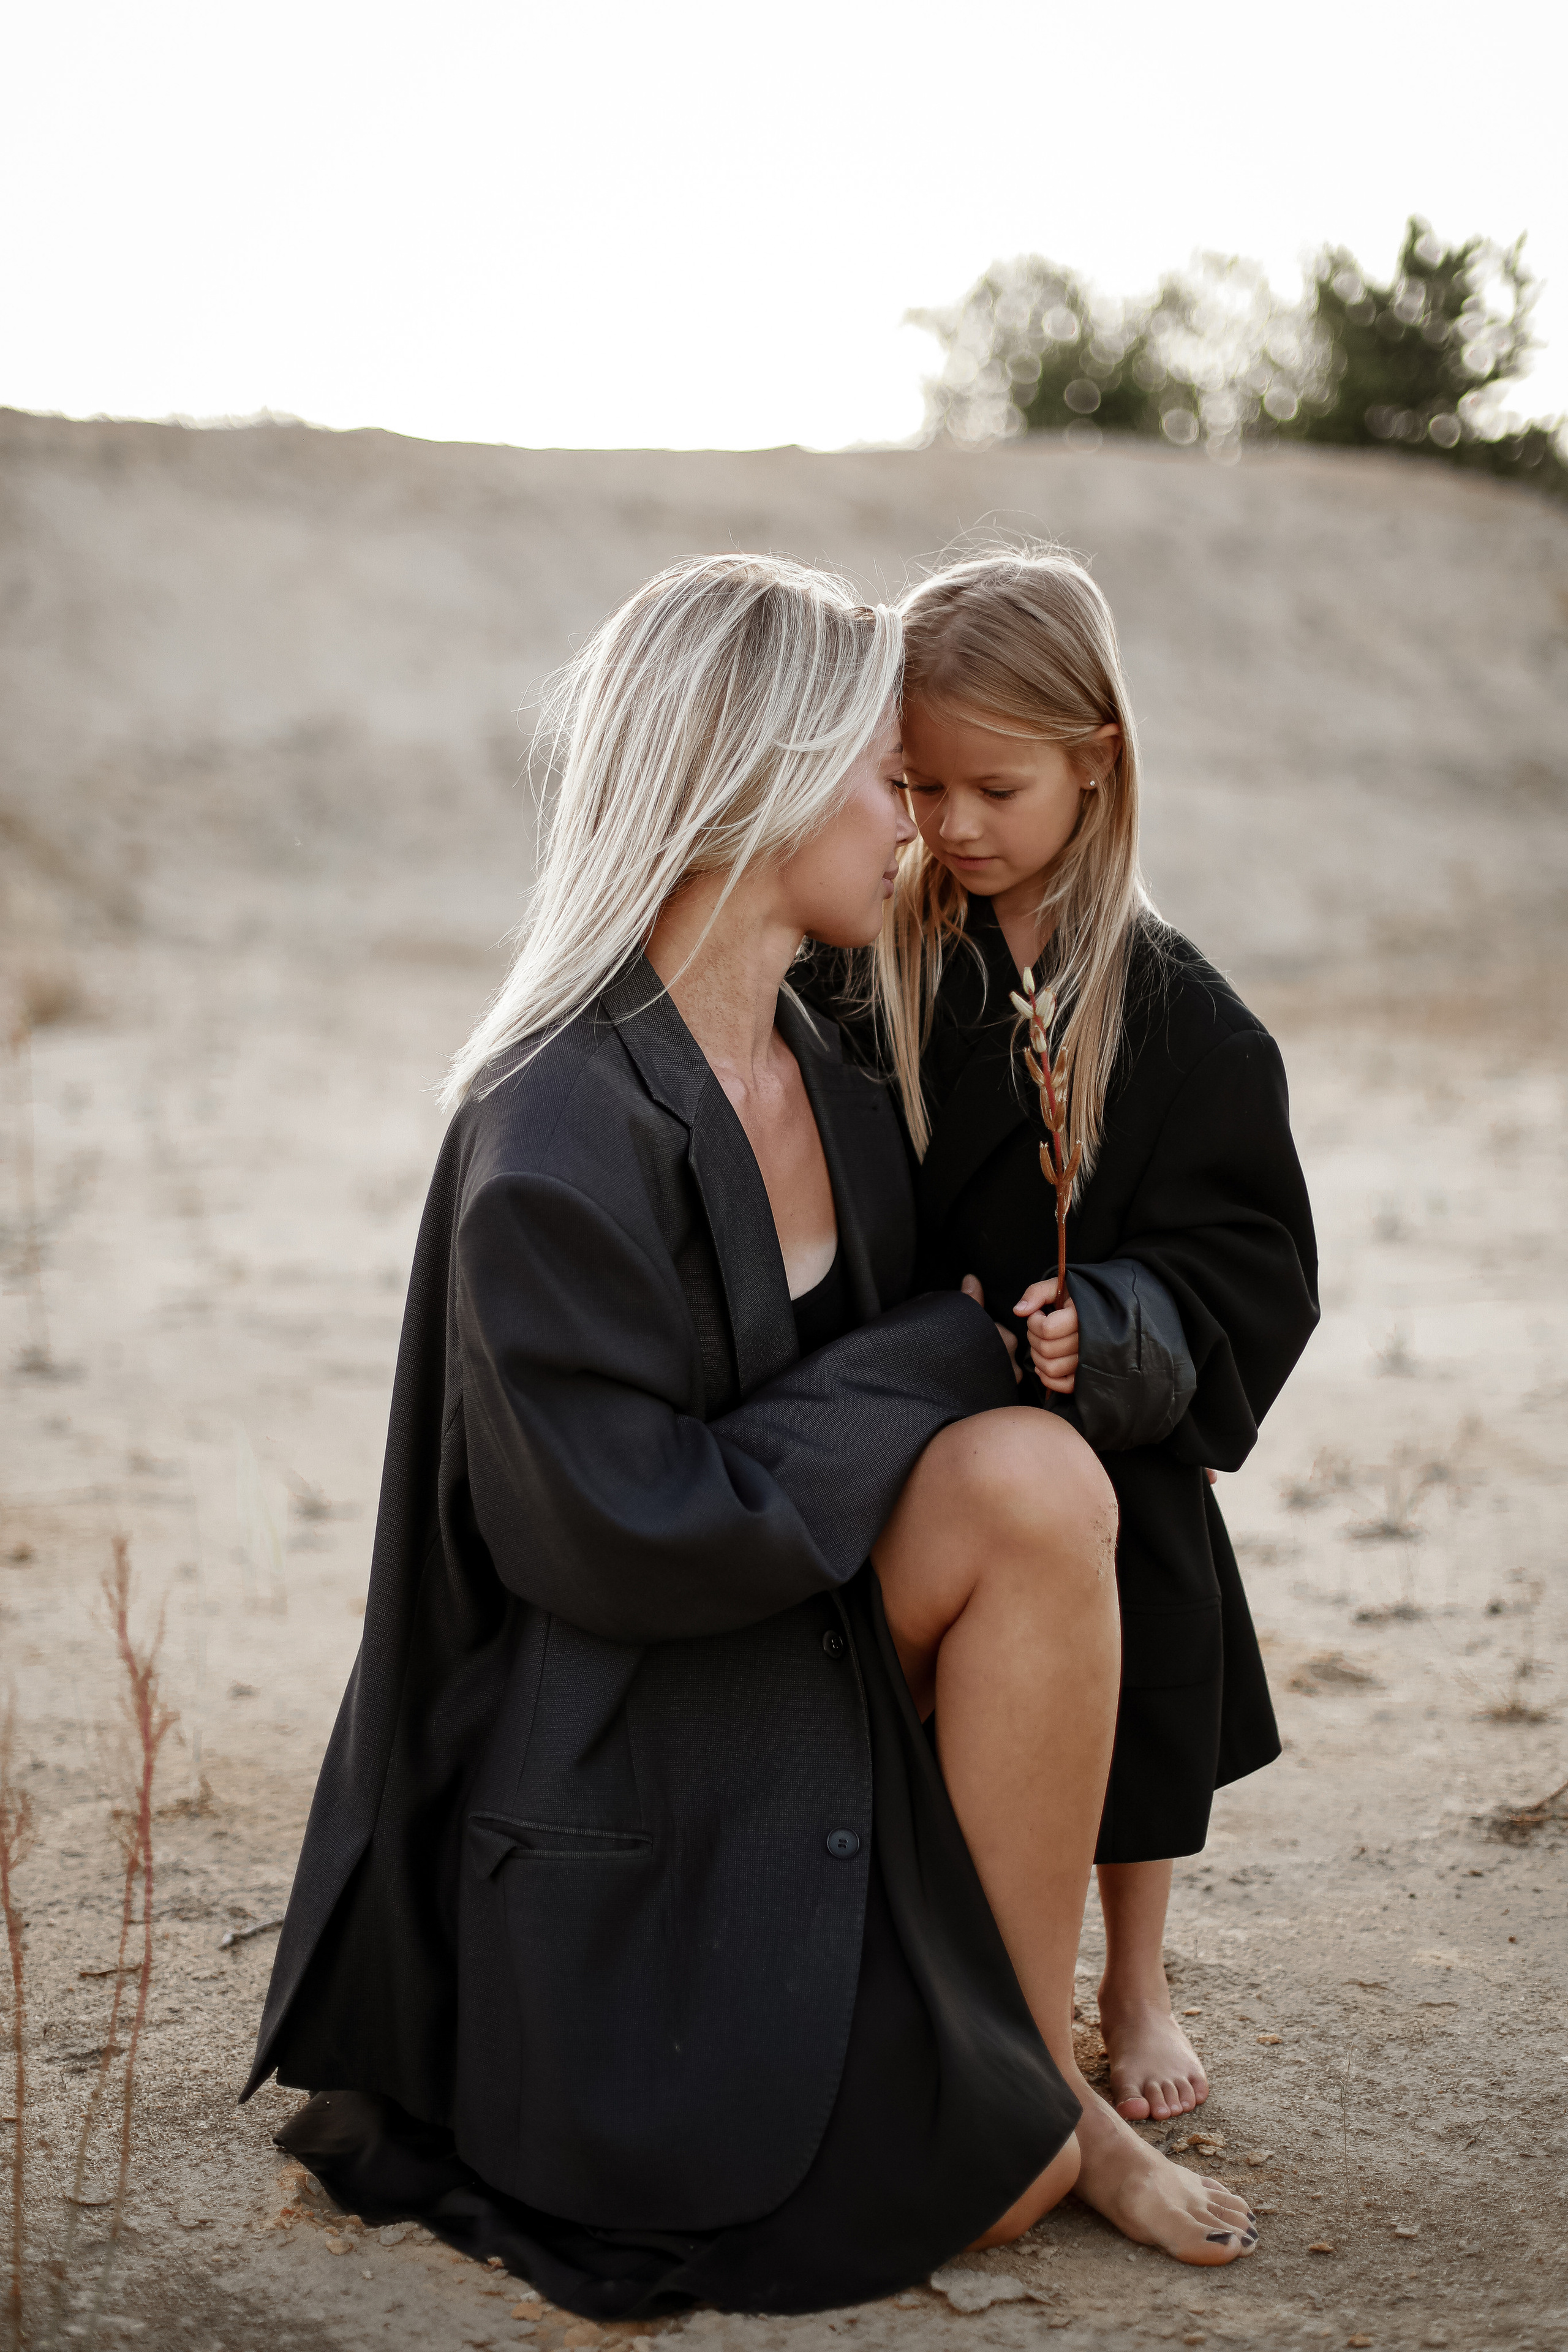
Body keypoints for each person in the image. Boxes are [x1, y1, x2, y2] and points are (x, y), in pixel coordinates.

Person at [241, 553, 1259, 2317]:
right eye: (882, 776)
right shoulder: (554, 1120)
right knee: (990, 1445)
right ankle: (976, 2103)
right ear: (765, 786)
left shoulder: (827, 1069)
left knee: (1040, 1482)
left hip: (792, 1619)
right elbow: (622, 1535)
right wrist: (938, 1350)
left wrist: (1093, 1328)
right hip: (631, 1699)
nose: (912, 820)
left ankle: (1030, 2081)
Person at [809, 546, 1319, 2125]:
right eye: (921, 786)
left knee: (1147, 1634)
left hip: (1113, 1427)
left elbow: (1253, 1258)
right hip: (917, 1405)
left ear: (1096, 761)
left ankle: (1135, 1978)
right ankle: (946, 1942)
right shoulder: (872, 970)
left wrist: (1112, 1329)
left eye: (997, 788)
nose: (955, 824)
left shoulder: (1191, 1022)